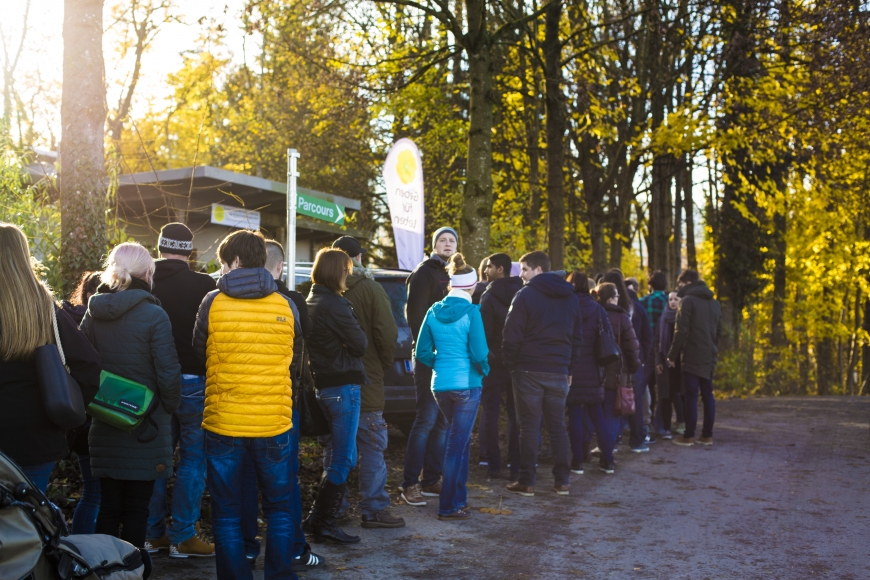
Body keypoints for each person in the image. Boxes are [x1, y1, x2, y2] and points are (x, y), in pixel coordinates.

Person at [192, 229, 303, 580]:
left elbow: (199, 353)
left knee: (226, 512)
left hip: (224, 420)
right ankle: (280, 575)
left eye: (224, 262)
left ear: (236, 261)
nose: (222, 269)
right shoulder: (286, 305)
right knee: (281, 509)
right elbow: (295, 357)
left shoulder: (212, 302)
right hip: (274, 421)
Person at [81, 242, 182, 550]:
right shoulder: (154, 315)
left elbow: (82, 364)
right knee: (138, 508)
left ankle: (104, 568)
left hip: (105, 420)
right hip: (146, 426)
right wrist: (169, 407)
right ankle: (132, 570)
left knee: (109, 506)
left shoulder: (94, 311)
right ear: (148, 272)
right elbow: (168, 373)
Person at [0, 224, 101, 493]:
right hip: (36, 436)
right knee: (31, 525)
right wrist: (64, 416)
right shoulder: (44, 308)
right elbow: (89, 366)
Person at [145, 223, 217, 558]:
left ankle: (152, 533)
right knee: (193, 459)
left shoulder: (145, 281)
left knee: (156, 459)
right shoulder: (205, 285)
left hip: (153, 384)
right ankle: (183, 536)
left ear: (159, 249)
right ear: (189, 252)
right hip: (194, 382)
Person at [251, 239, 323, 570]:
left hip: (240, 401)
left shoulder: (224, 298)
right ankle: (293, 547)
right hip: (282, 401)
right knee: (285, 479)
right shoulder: (292, 301)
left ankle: (248, 547)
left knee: (246, 479)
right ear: (280, 267)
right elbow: (303, 343)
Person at [327, 236, 404, 529]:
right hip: (366, 380)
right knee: (372, 446)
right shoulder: (371, 289)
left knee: (334, 448)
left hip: (331, 382)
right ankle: (373, 510)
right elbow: (387, 333)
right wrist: (381, 364)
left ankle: (335, 508)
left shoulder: (319, 291)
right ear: (359, 258)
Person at [414, 253, 489, 519]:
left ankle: (460, 498)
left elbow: (422, 352)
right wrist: (485, 371)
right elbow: (479, 354)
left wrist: (440, 364)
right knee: (457, 445)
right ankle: (448, 506)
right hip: (467, 385)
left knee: (460, 441)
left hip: (440, 386)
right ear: (472, 286)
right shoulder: (472, 312)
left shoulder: (433, 312)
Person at [502, 251, 582, 497]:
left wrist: (511, 364)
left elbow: (511, 334)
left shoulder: (525, 295)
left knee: (529, 426)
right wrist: (569, 368)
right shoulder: (571, 298)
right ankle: (562, 481)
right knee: (557, 426)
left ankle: (527, 481)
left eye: (524, 269)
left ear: (538, 269)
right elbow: (577, 338)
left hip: (528, 369)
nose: (521, 274)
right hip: (558, 369)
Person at [304, 248, 368, 544]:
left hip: (325, 386)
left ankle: (317, 518)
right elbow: (360, 344)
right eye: (346, 269)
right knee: (343, 458)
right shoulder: (335, 304)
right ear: (335, 272)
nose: (348, 274)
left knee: (336, 456)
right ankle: (325, 523)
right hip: (343, 387)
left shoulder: (311, 300)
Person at [400, 226, 456, 506]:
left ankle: (432, 479)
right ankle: (409, 484)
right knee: (425, 420)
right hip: (428, 357)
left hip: (451, 359)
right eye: (442, 240)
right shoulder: (424, 273)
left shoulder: (455, 274)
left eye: (451, 240)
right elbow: (416, 318)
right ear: (434, 245)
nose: (447, 244)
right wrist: (430, 352)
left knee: (443, 422)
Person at [63, 270, 104, 534]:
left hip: (76, 421)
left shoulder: (64, 321)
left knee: (91, 492)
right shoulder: (93, 325)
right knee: (95, 494)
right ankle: (85, 552)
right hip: (98, 420)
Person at [566, 272, 616, 475]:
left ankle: (577, 461)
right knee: (598, 417)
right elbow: (609, 337)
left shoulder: (566, 307)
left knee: (575, 416)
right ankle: (608, 460)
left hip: (572, 370)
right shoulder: (598, 309)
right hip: (594, 371)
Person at [478, 252, 522, 480]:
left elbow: (483, 334)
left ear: (500, 269)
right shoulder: (523, 294)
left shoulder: (488, 296)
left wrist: (489, 358)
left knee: (490, 414)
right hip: (516, 363)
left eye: (489, 267)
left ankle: (493, 464)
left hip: (494, 364)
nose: (485, 271)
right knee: (516, 416)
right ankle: (515, 464)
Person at [668, 270, 722, 447]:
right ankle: (707, 435)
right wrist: (713, 349)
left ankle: (689, 435)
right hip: (709, 355)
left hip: (691, 355)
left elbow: (680, 330)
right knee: (708, 395)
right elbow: (718, 332)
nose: (679, 288)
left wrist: (672, 355)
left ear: (687, 282)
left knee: (691, 395)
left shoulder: (688, 301)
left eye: (681, 284)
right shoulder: (714, 303)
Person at [603, 269, 651, 452]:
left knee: (611, 404)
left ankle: (612, 443)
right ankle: (637, 441)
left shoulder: (603, 311)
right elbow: (647, 336)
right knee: (633, 401)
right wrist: (641, 357)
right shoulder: (635, 309)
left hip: (609, 363)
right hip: (633, 362)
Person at [595, 282, 641, 465]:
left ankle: (583, 455)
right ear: (611, 298)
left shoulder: (593, 313)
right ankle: (607, 458)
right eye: (616, 297)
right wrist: (635, 367)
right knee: (612, 416)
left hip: (594, 374)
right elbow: (632, 347)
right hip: (615, 375)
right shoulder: (622, 318)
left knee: (592, 415)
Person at [641, 271, 669, 436]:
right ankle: (661, 424)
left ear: (649, 285)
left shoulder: (643, 302)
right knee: (664, 388)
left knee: (644, 385)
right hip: (665, 350)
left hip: (647, 349)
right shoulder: (670, 301)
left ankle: (646, 420)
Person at [656, 291, 684, 438]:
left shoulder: (684, 318)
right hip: (665, 364)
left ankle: (682, 423)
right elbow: (657, 342)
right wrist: (659, 361)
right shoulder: (663, 318)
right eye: (670, 299)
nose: (672, 302)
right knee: (665, 396)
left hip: (681, 363)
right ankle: (666, 428)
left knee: (679, 394)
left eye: (676, 299)